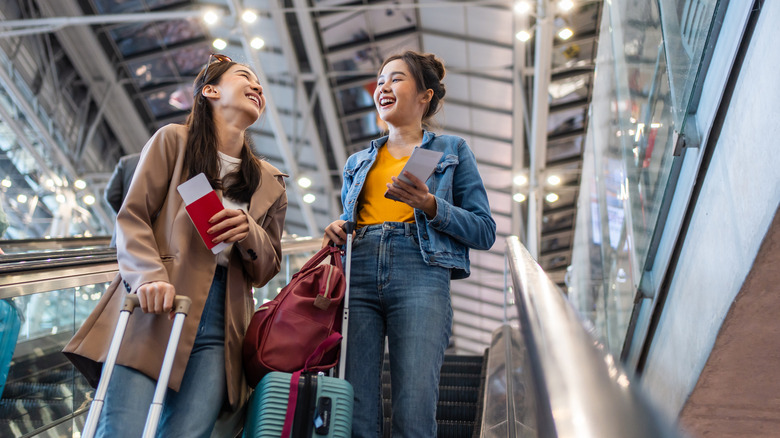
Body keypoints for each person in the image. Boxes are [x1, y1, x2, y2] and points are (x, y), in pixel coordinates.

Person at [63, 54, 288, 438]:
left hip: (224, 320)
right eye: (244, 77)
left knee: (189, 432)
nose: (257, 87)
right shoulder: (173, 141)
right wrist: (149, 276)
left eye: (260, 86)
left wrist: (249, 231)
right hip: (157, 300)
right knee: (123, 427)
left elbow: (268, 267)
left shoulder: (269, 181)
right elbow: (133, 217)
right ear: (210, 91)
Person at [323, 51, 496, 437]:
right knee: (354, 407)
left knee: (415, 404)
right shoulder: (357, 162)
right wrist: (337, 227)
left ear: (424, 96)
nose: (383, 86)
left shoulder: (450, 151)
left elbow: (484, 230)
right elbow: (349, 219)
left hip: (421, 270)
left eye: (396, 79)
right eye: (381, 80)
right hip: (358, 270)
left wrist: (431, 205)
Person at [104, 152, 141, 247]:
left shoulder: (127, 162)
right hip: (150, 246)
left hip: (122, 239)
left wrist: (126, 214)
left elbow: (111, 196)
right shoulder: (169, 166)